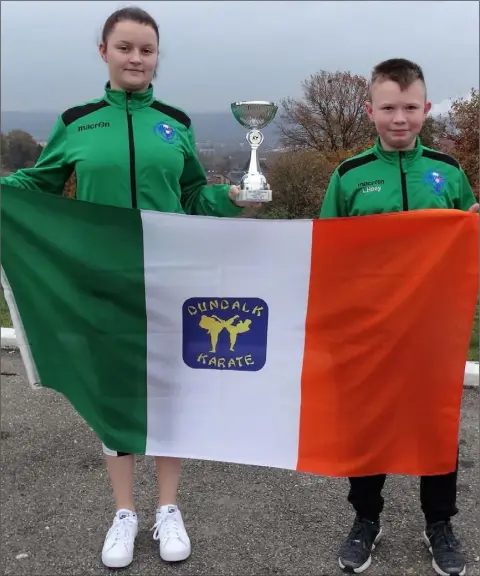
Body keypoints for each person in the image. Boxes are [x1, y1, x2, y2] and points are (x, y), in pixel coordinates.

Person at [0, 6, 258, 570]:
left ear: (157, 56)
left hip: (170, 278)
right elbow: (37, 184)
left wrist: (232, 199)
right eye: (125, 48)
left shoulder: (176, 121)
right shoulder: (77, 121)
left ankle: (168, 507)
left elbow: (193, 196)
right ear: (104, 53)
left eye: (147, 49)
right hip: (100, 281)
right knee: (112, 391)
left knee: (170, 392)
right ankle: (124, 511)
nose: (136, 58)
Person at [319, 58, 478, 576]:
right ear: (370, 111)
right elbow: (326, 251)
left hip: (434, 328)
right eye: (388, 107)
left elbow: (466, 239)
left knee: (435, 423)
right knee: (369, 424)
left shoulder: (449, 171)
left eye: (411, 107)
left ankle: (440, 523)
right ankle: (366, 519)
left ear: (427, 109)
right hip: (369, 329)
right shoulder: (349, 176)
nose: (400, 118)